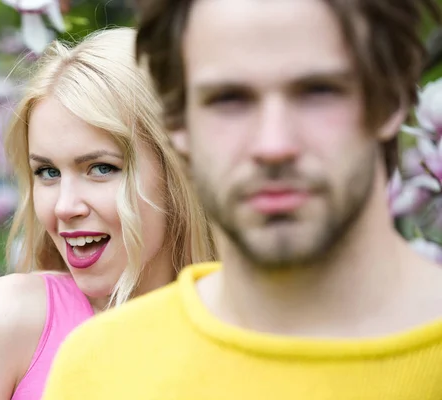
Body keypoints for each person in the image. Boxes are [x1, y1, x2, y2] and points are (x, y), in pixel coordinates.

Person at [42, 1, 442, 399]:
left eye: (317, 92)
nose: (273, 145)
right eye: (229, 99)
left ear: (390, 100)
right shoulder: (97, 370)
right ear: (178, 123)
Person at [0, 27, 215, 400]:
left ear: (178, 172)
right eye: (48, 172)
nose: (65, 206)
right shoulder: (7, 320)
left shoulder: (253, 335)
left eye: (100, 168)